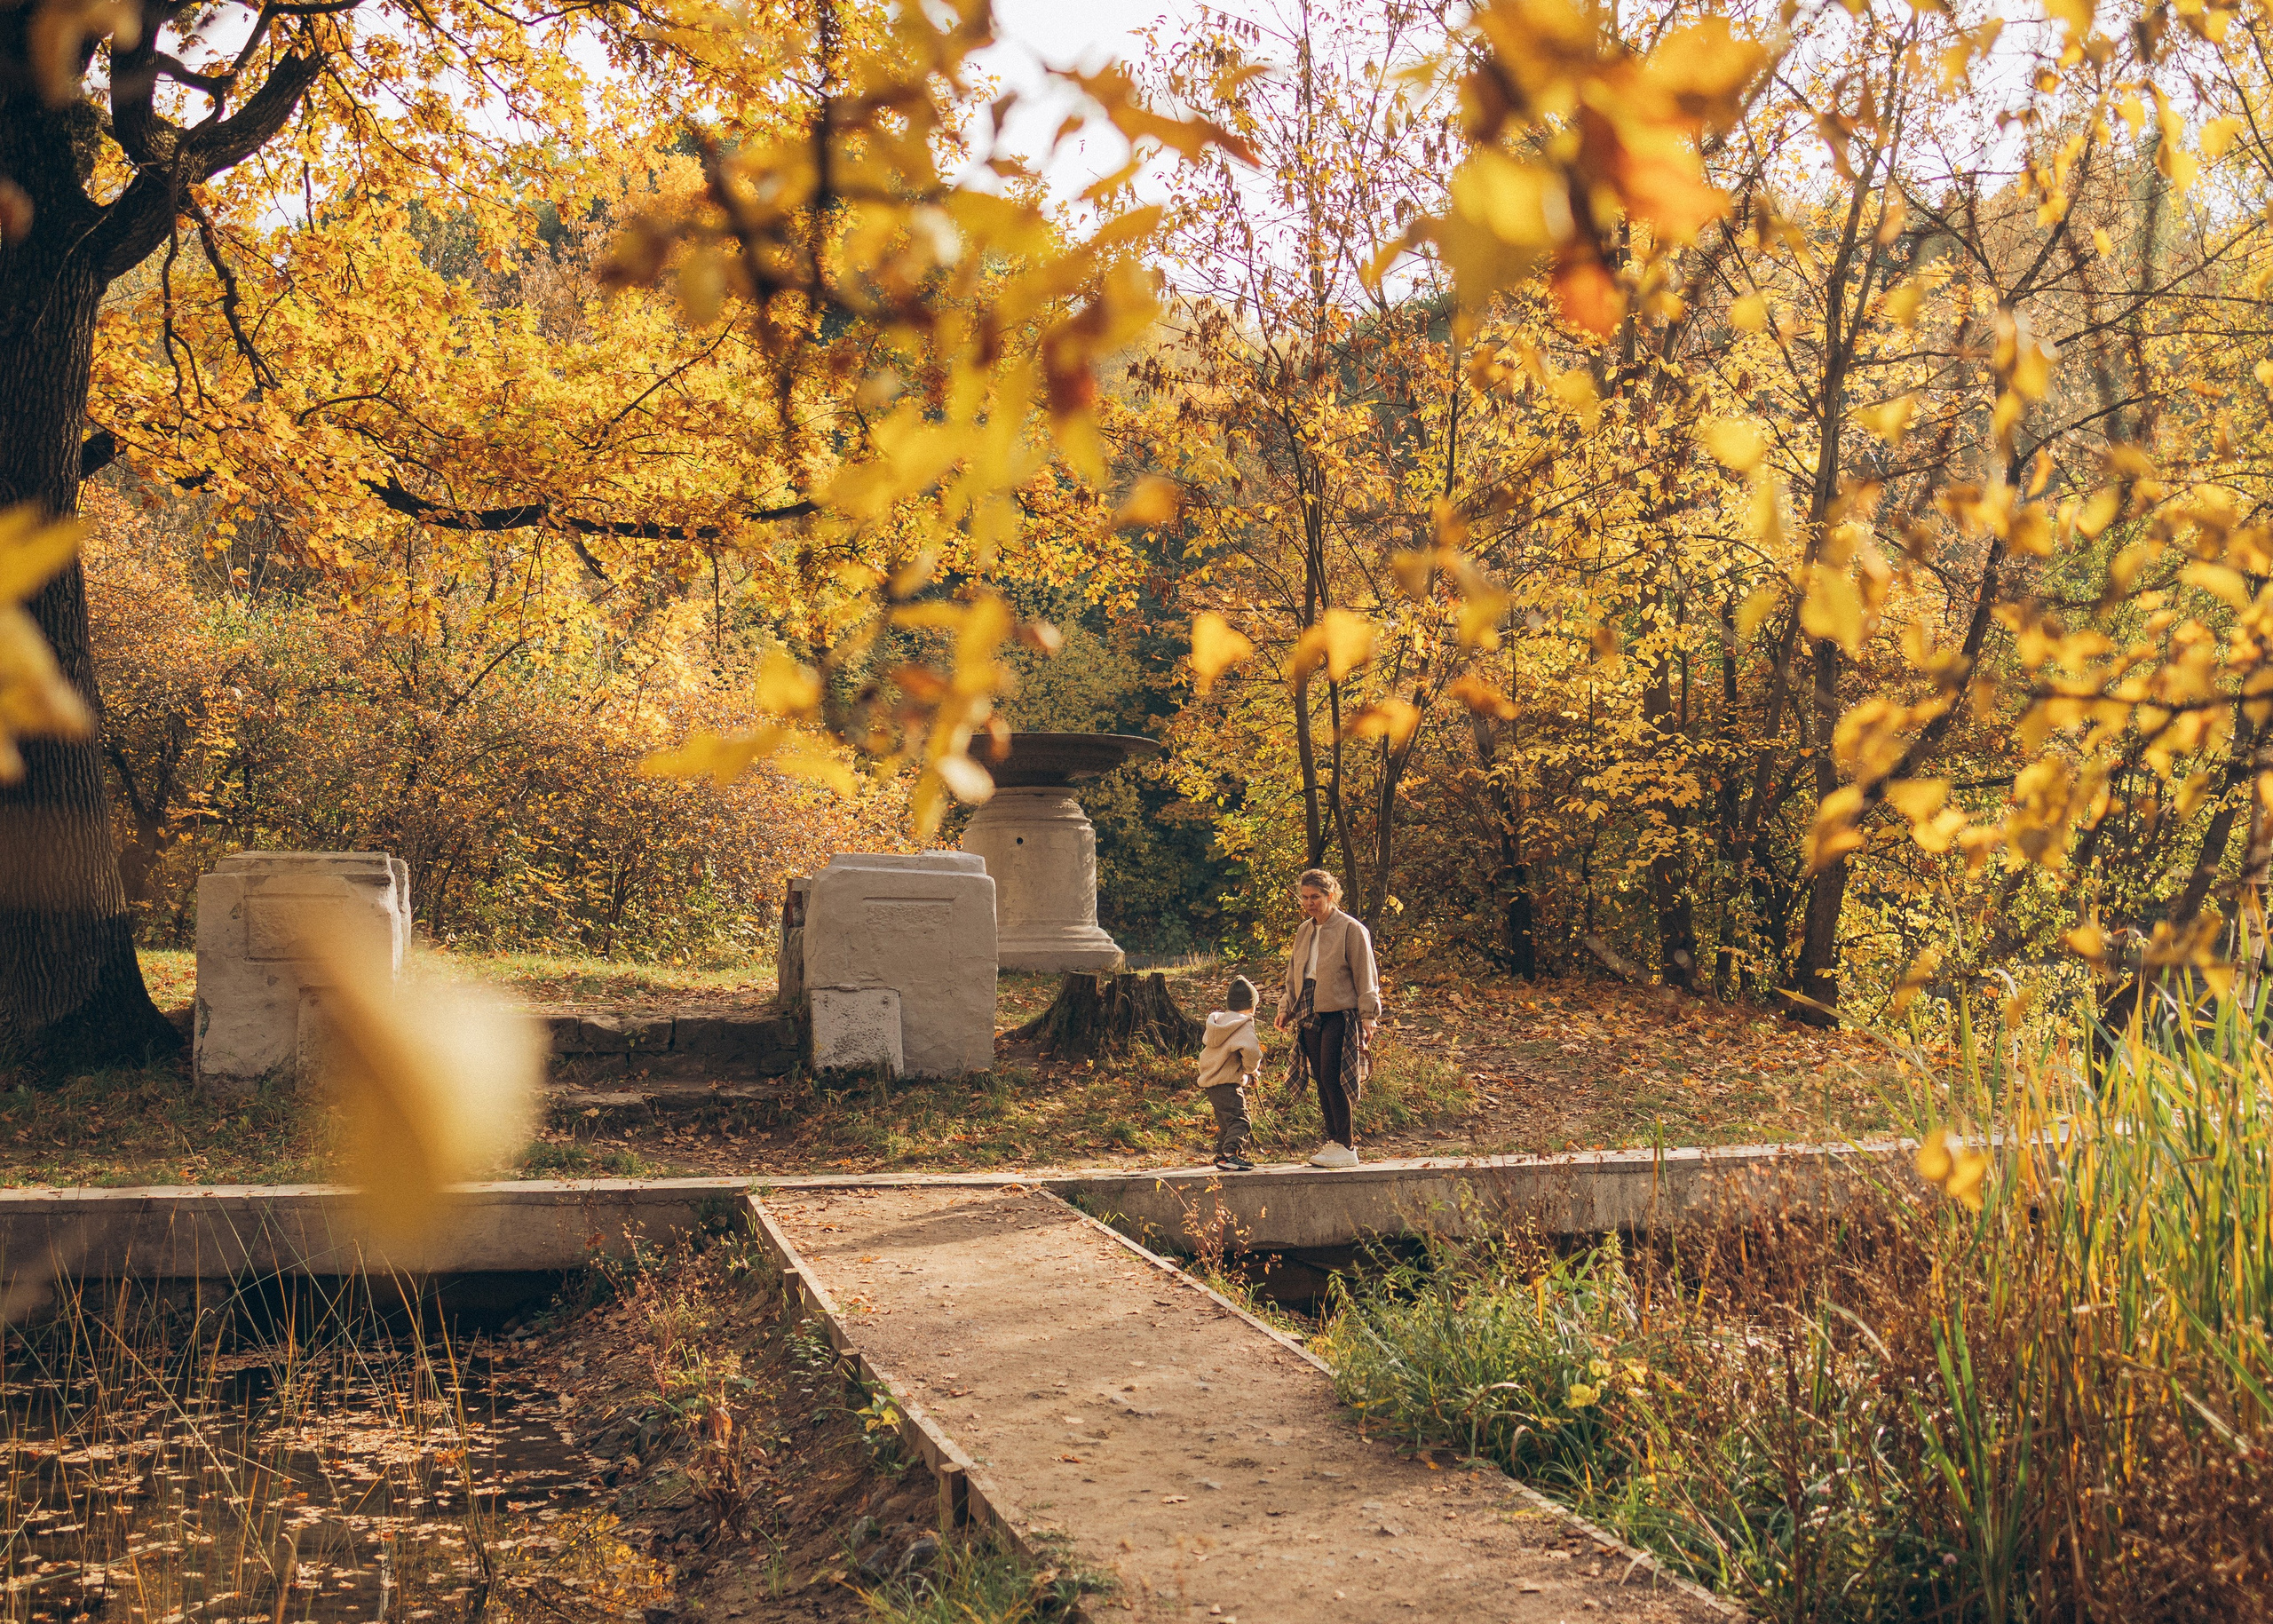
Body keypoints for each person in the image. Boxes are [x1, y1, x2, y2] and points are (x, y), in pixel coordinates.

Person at [1274, 867, 1381, 1168]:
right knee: (1319, 1076)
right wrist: (1286, 1007)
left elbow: (1366, 974)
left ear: (1330, 895)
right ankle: (1333, 1141)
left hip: (1340, 1010)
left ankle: (1346, 1146)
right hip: (1308, 1006)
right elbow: (1294, 974)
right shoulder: (1304, 930)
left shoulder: (1351, 929)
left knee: (1334, 1076)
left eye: (1316, 897)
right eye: (1305, 897)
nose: (1309, 903)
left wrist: (1369, 1016)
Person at [1195, 975, 1263, 1172]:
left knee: (1226, 1122)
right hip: (1227, 1084)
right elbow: (1251, 1052)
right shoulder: (1243, 1025)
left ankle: (1221, 1154)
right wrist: (1252, 1072)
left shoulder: (1219, 1023)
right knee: (1240, 1120)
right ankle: (1230, 1154)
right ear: (1252, 1006)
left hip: (1212, 1083)